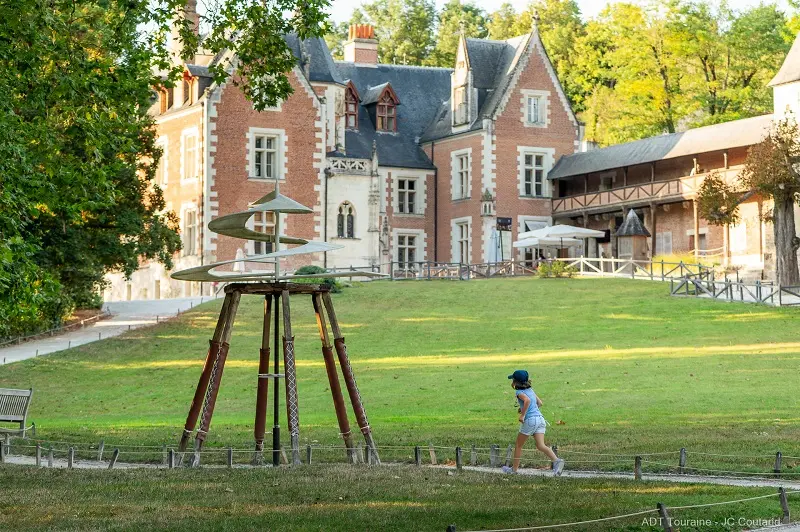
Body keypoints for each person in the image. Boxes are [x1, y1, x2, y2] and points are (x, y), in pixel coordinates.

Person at [502, 369, 564, 476]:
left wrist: (523, 414)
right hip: (540, 419)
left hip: (530, 420)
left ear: (515, 382)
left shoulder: (519, 392)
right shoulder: (531, 390)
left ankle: (514, 470)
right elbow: (539, 403)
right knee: (541, 445)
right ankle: (557, 461)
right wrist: (523, 409)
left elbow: (527, 401)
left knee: (518, 445)